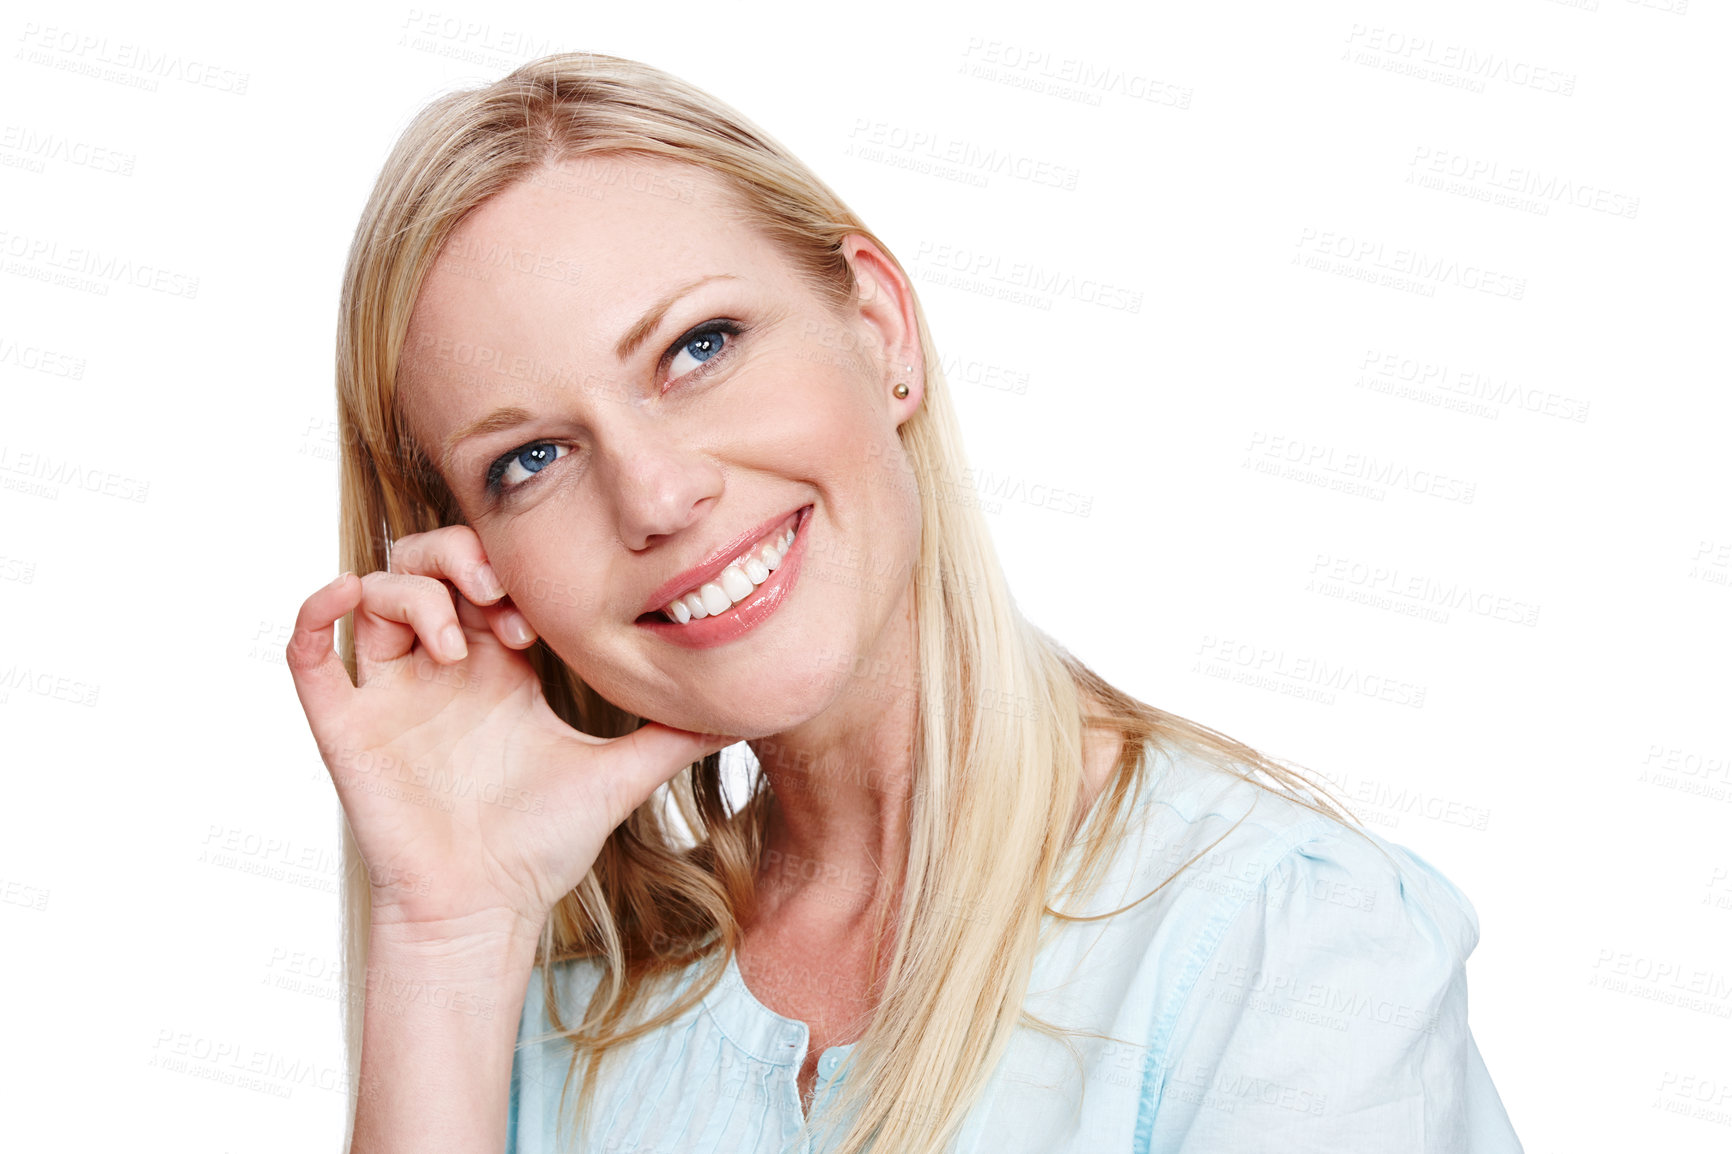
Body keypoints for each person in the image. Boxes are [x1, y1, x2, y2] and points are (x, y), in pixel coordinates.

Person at [286, 51, 1524, 1154]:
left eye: (699, 347)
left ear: (878, 326)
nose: (654, 495)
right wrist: (444, 939)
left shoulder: (1280, 942)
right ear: (473, 556)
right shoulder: (535, 1001)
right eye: (531, 460)